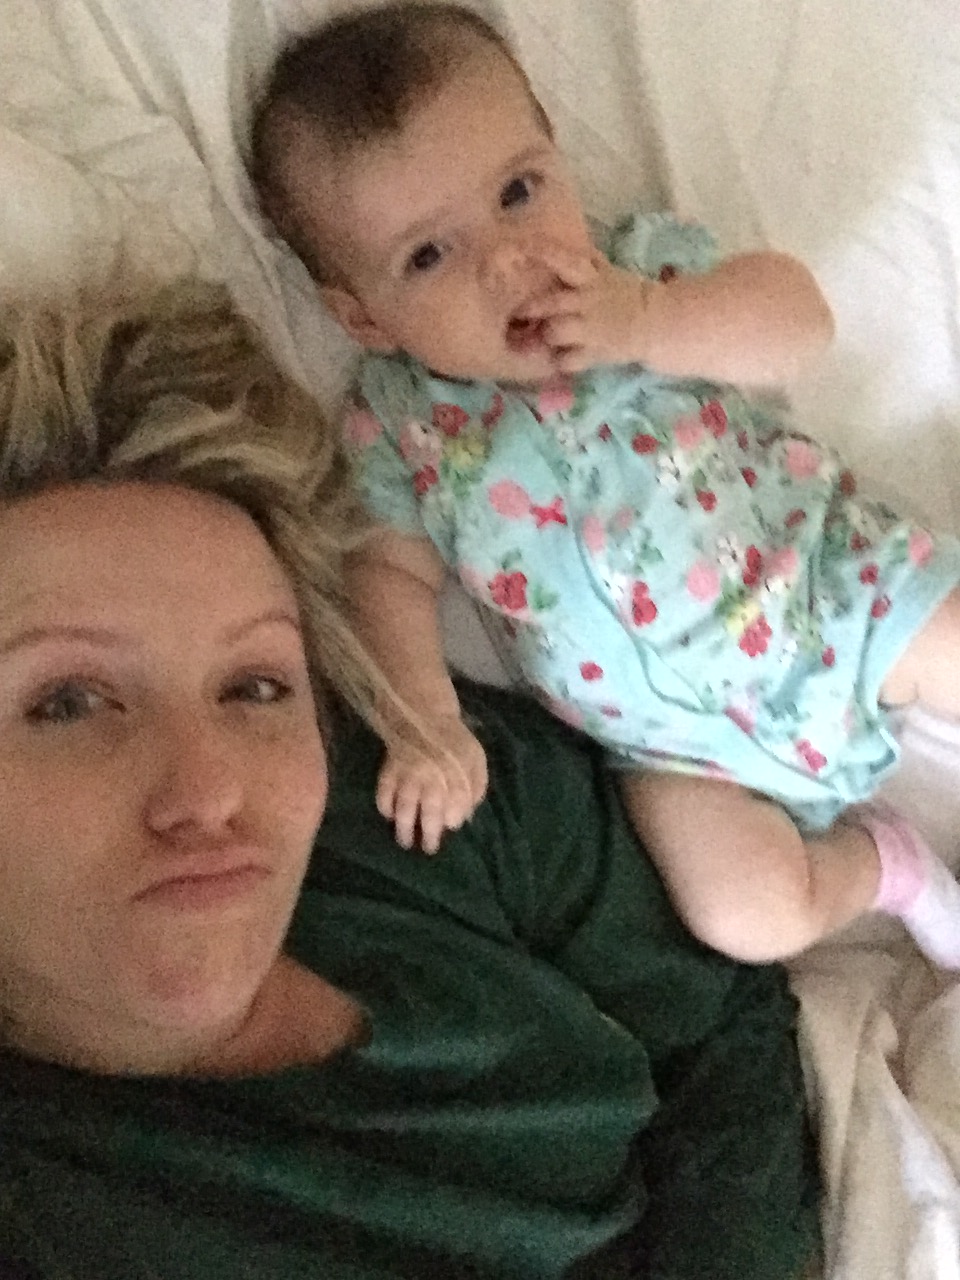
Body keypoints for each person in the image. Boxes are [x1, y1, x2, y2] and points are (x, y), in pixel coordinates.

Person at [0, 282, 819, 1279]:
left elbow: (723, 1019)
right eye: (67, 703)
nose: (209, 791)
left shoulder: (424, 787)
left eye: (256, 686)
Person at [250, 0, 960, 966]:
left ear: (558, 156)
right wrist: (424, 718)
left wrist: (650, 322)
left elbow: (799, 322)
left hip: (835, 592)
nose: (507, 261)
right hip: (680, 751)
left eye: (518, 191)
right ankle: (887, 869)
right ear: (365, 319)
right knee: (747, 917)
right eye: (429, 254)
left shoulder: (642, 271)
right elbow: (387, 575)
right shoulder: (403, 426)